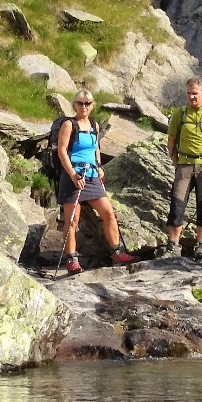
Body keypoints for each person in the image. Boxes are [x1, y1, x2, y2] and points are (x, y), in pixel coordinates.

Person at [56, 89, 136, 275]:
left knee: (108, 212)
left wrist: (99, 166)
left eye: (87, 103)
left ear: (92, 105)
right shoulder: (69, 125)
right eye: (80, 103)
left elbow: (95, 149)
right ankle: (71, 260)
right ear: (74, 105)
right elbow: (61, 151)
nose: (84, 107)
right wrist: (73, 175)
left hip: (91, 175)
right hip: (72, 176)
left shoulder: (94, 125)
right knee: (72, 220)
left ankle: (117, 252)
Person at [158, 77, 202, 262]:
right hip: (185, 164)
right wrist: (175, 161)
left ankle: (200, 248)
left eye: (195, 93)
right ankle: (173, 246)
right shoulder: (179, 114)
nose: (191, 97)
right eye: (188, 93)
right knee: (176, 204)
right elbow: (171, 139)